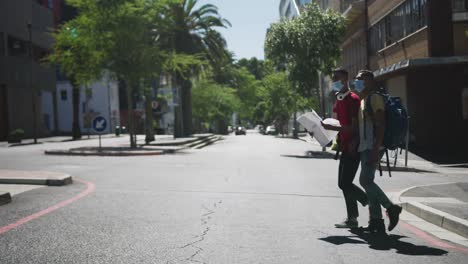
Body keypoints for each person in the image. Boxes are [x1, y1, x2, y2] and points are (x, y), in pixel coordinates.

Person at [352, 70, 402, 233]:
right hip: (366, 146)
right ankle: (376, 221)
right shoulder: (363, 100)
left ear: (370, 82)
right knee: (368, 182)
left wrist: (376, 148)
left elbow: (381, 124)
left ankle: (390, 207)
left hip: (373, 146)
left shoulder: (375, 98)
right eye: (357, 80)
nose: (358, 82)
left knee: (365, 181)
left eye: (361, 80)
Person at [321, 68, 368, 228]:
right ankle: (352, 218)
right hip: (344, 147)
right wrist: (318, 128)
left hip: (353, 147)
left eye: (336, 77)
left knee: (344, 183)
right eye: (333, 77)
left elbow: (353, 128)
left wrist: (334, 129)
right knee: (344, 183)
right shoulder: (339, 100)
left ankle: (367, 200)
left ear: (345, 80)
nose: (333, 80)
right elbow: (336, 123)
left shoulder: (353, 99)